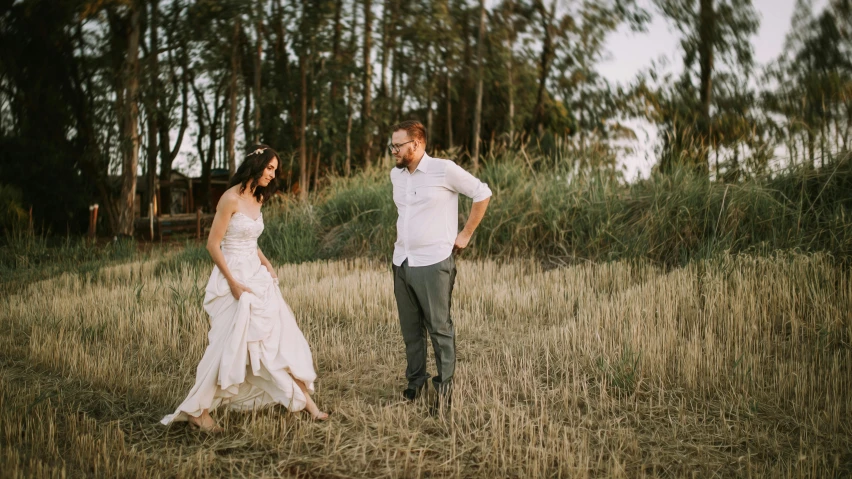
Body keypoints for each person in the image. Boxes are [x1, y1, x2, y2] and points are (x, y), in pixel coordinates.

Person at [161, 145, 328, 433]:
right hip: (234, 278)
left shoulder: (257, 198)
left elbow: (251, 241)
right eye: (270, 168)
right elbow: (214, 245)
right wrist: (233, 283)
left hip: (257, 275)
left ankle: (309, 406)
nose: (273, 175)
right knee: (227, 346)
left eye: (275, 170)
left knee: (278, 341)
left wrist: (267, 264)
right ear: (257, 165)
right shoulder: (229, 199)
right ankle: (198, 411)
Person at [389, 121, 492, 415]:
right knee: (411, 330)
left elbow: (482, 193)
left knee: (439, 328)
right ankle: (415, 382)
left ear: (417, 144)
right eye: (392, 145)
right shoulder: (396, 176)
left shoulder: (443, 169)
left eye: (398, 145)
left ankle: (444, 389)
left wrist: (466, 233)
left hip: (434, 263)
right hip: (401, 261)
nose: (393, 150)